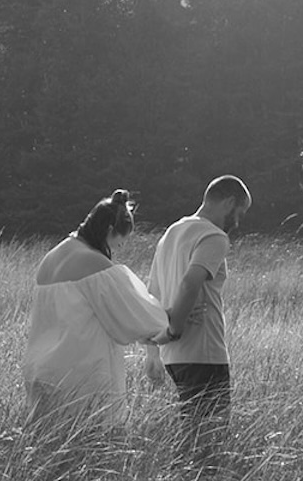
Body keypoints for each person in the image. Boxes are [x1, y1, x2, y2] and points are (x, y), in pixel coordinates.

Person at [24, 189, 182, 429]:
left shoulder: (51, 257)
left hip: (42, 371)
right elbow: (137, 315)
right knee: (90, 452)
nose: (116, 249)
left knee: (49, 451)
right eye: (118, 242)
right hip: (81, 374)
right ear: (109, 231)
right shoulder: (94, 263)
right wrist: (171, 317)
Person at [145, 175, 250, 438]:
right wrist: (174, 328)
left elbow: (151, 294)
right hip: (203, 352)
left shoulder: (172, 233)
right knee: (209, 441)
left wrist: (153, 350)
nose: (237, 222)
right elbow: (191, 282)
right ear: (228, 202)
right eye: (239, 213)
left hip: (174, 358)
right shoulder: (213, 236)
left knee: (190, 434)